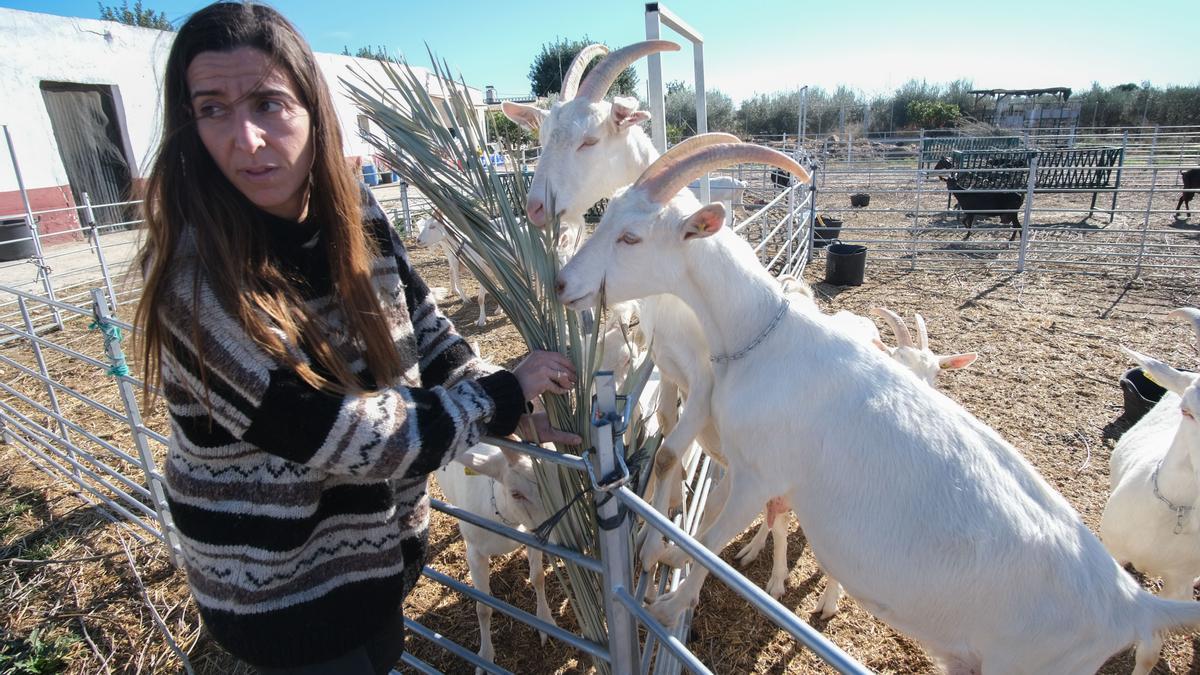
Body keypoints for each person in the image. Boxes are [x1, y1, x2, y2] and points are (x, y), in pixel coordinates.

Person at [132, 3, 579, 673]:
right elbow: (343, 435)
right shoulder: (198, 289)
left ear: (313, 107)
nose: (247, 138)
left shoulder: (357, 213)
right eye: (213, 108)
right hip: (282, 600)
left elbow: (428, 334)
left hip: (376, 563)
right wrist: (498, 399)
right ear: (188, 124)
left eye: (267, 102)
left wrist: (520, 404)